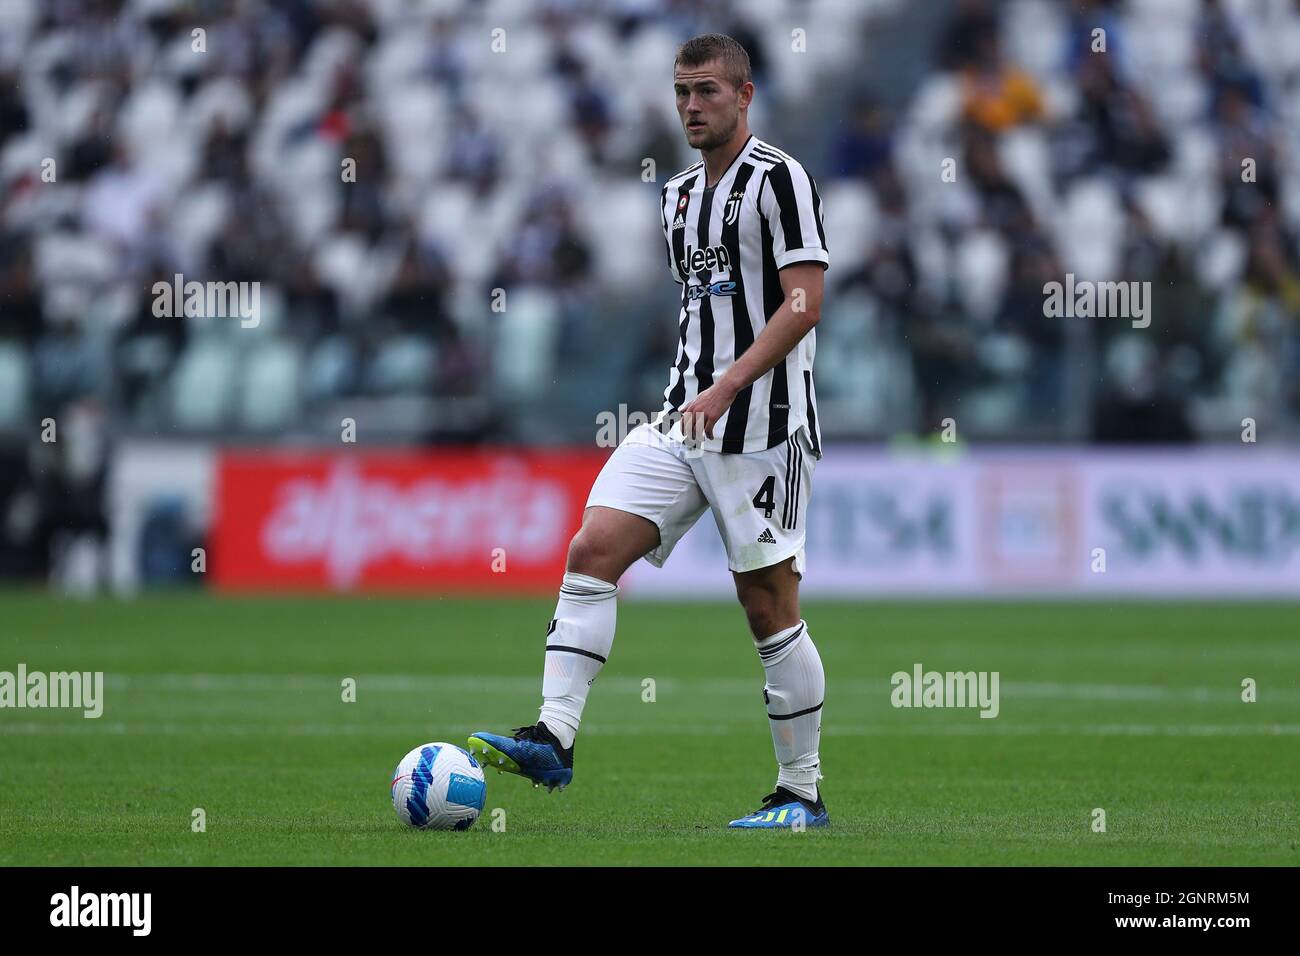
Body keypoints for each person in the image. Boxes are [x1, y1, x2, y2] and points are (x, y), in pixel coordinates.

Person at [469, 33, 831, 829]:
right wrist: (691, 392)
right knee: (591, 551)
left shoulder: (781, 180)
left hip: (762, 429)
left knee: (768, 604)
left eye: (707, 91)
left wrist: (729, 383)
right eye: (681, 92)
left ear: (744, 95)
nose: (691, 106)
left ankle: (801, 792)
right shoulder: (673, 196)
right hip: (681, 419)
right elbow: (701, 308)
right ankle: (554, 737)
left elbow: (804, 303)